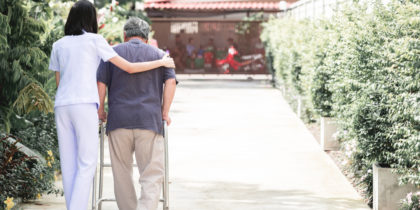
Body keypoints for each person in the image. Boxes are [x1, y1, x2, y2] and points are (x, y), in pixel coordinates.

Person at [48, 1, 175, 210]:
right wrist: (161, 63)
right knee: (87, 163)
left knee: (69, 164)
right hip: (86, 105)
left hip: (63, 105)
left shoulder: (58, 45)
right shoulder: (96, 40)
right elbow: (131, 68)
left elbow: (60, 81)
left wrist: (99, 108)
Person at [97, 17, 177, 210]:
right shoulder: (160, 55)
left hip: (118, 121)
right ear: (147, 38)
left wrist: (101, 110)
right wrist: (164, 112)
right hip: (149, 121)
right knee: (151, 174)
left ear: (124, 36)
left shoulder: (112, 53)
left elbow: (101, 83)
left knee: (121, 173)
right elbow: (171, 82)